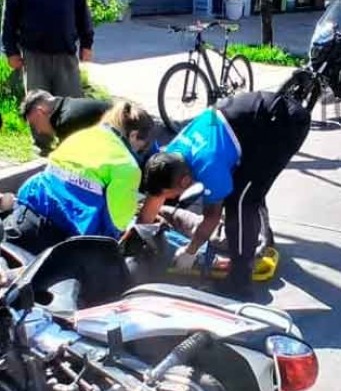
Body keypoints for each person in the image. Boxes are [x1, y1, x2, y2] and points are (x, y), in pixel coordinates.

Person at [139, 90, 311, 298]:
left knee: (240, 203)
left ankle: (240, 283)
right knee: (243, 186)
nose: (167, 198)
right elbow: (157, 193)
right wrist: (140, 233)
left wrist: (191, 250)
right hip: (246, 119)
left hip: (281, 125)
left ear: (185, 181)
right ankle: (259, 236)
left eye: (170, 193)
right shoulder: (172, 152)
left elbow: (212, 216)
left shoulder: (209, 165)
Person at [3, 101, 155, 254]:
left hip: (26, 212)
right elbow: (117, 226)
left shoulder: (82, 135)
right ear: (134, 135)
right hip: (60, 238)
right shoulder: (128, 166)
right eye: (141, 147)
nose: (138, 152)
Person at [20, 89, 113, 156]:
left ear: (40, 112)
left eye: (35, 124)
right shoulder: (67, 106)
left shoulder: (65, 122)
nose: (39, 130)